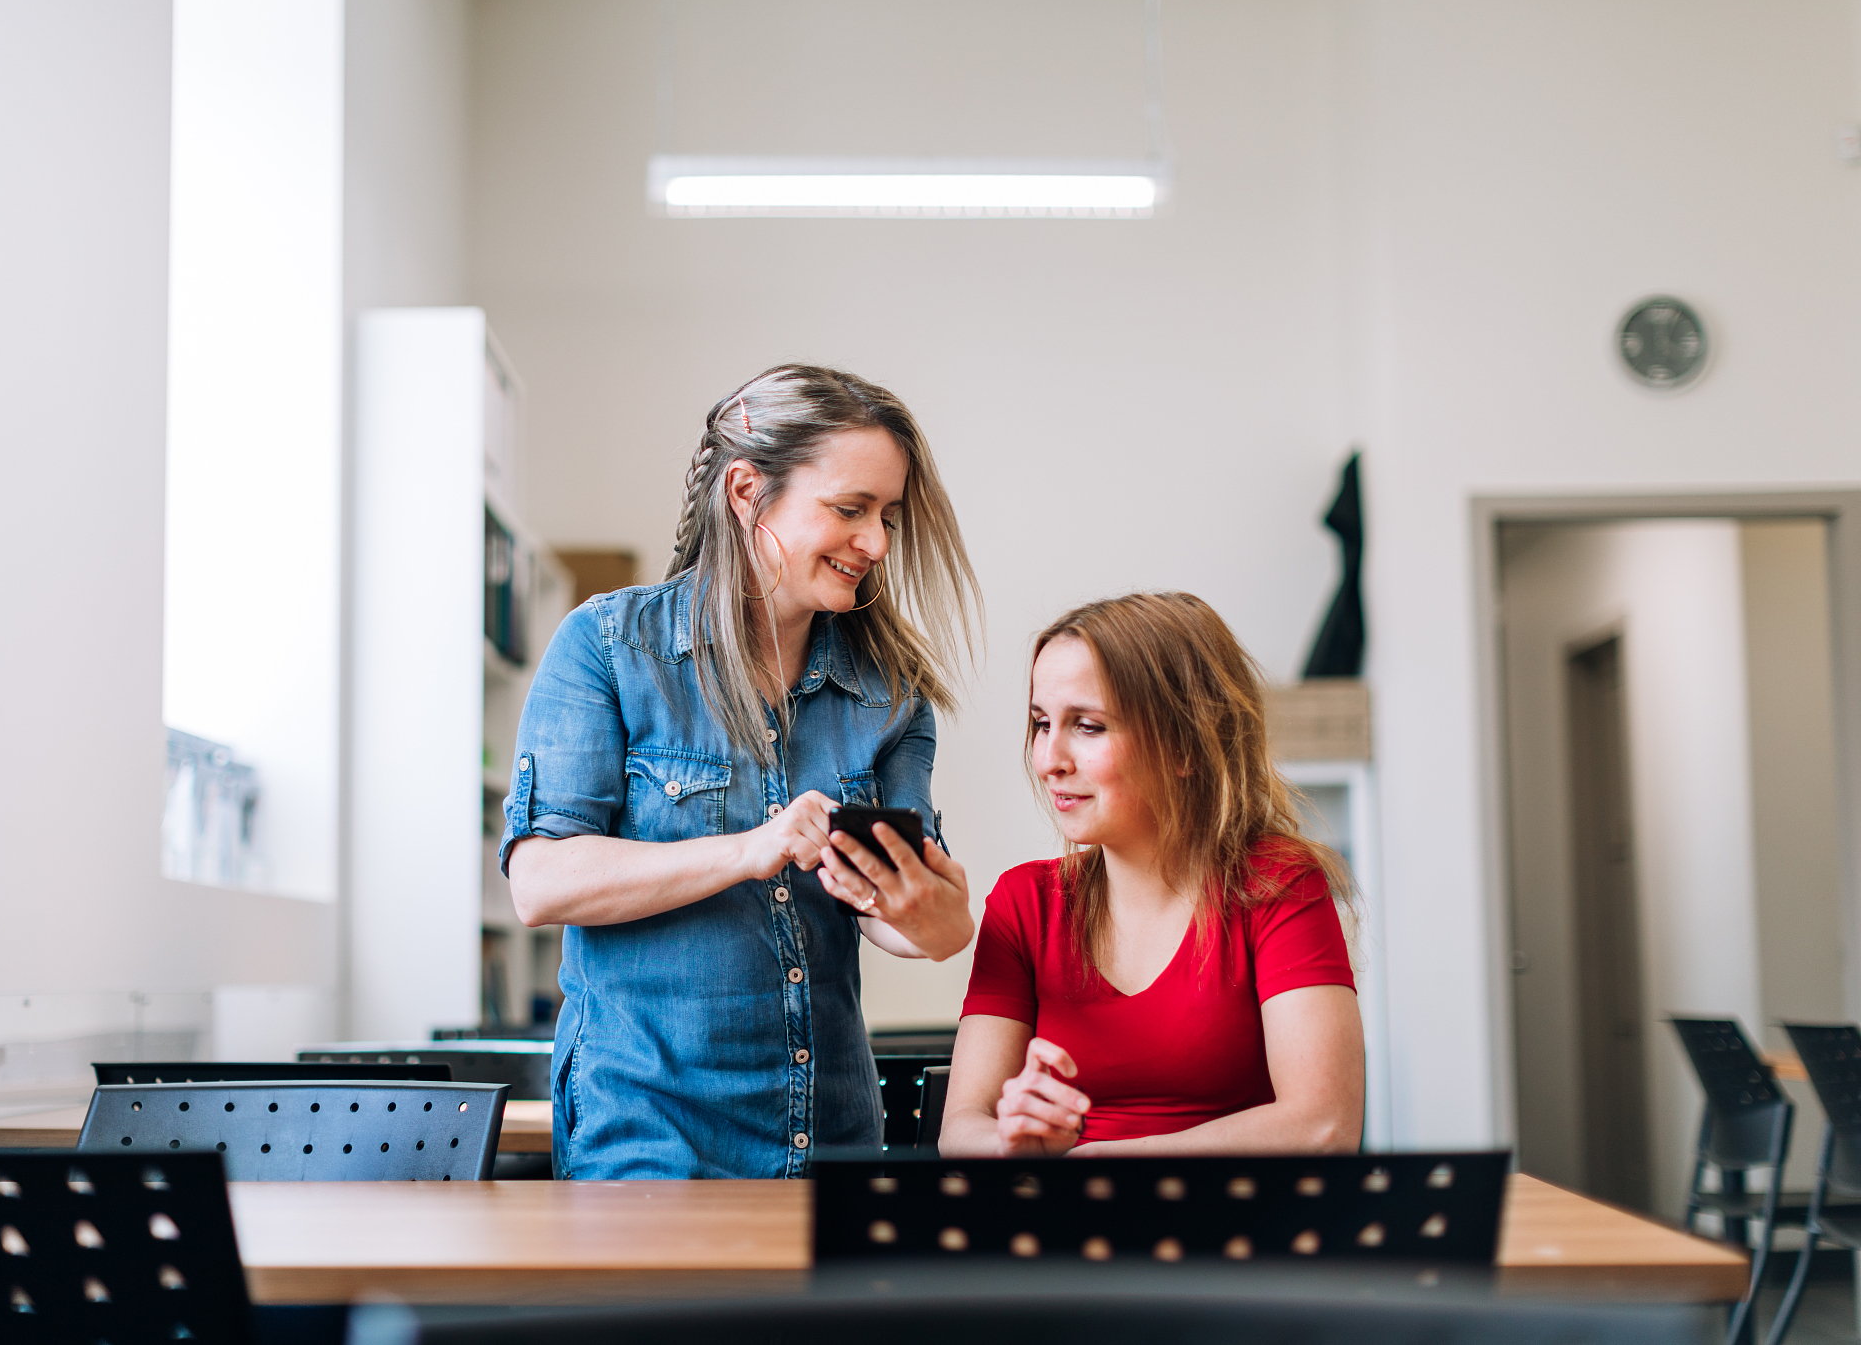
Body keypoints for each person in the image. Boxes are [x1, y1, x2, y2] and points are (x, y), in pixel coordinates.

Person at [501, 364, 983, 1179]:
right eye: (849, 508)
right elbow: (541, 881)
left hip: (831, 1139)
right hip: (647, 1138)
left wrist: (934, 910)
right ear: (745, 491)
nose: (876, 543)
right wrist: (750, 848)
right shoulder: (610, 649)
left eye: (889, 517)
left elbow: (916, 930)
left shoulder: (891, 695)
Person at [938, 592, 1363, 1158]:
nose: (1048, 759)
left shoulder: (1278, 883)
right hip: (1068, 1233)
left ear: (1186, 742)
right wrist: (1013, 1142)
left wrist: (1100, 1164)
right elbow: (961, 1131)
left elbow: (1324, 1127)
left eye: (1088, 727)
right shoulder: (1024, 901)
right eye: (1042, 724)